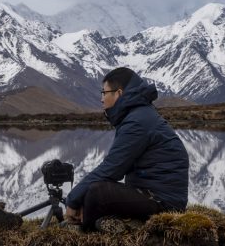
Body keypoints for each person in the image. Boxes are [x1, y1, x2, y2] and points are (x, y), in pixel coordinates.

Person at [64, 67, 189, 231]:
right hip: (153, 194)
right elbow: (116, 167)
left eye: (104, 92)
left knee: (98, 192)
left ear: (119, 93)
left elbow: (112, 169)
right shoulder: (138, 115)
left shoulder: (137, 122)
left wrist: (73, 199)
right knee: (95, 190)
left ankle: (83, 230)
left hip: (163, 203)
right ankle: (102, 222)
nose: (101, 99)